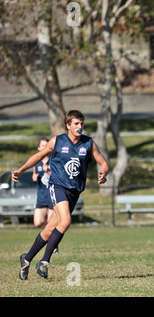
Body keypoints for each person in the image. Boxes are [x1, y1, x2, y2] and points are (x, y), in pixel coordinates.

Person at [15, 110, 110, 280]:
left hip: (74, 191)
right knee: (65, 221)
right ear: (68, 125)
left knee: (50, 229)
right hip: (57, 186)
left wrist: (104, 172)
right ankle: (44, 262)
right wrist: (22, 170)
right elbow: (38, 156)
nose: (79, 127)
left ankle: (26, 259)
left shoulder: (88, 143)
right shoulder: (57, 141)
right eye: (76, 124)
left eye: (81, 123)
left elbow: (103, 162)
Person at [32, 137, 54, 228]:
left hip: (53, 195)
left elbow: (59, 177)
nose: (45, 147)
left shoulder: (53, 160)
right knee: (37, 223)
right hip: (41, 196)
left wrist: (48, 171)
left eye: (46, 145)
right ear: (39, 148)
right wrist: (34, 177)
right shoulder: (36, 162)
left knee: (51, 222)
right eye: (42, 145)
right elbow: (34, 176)